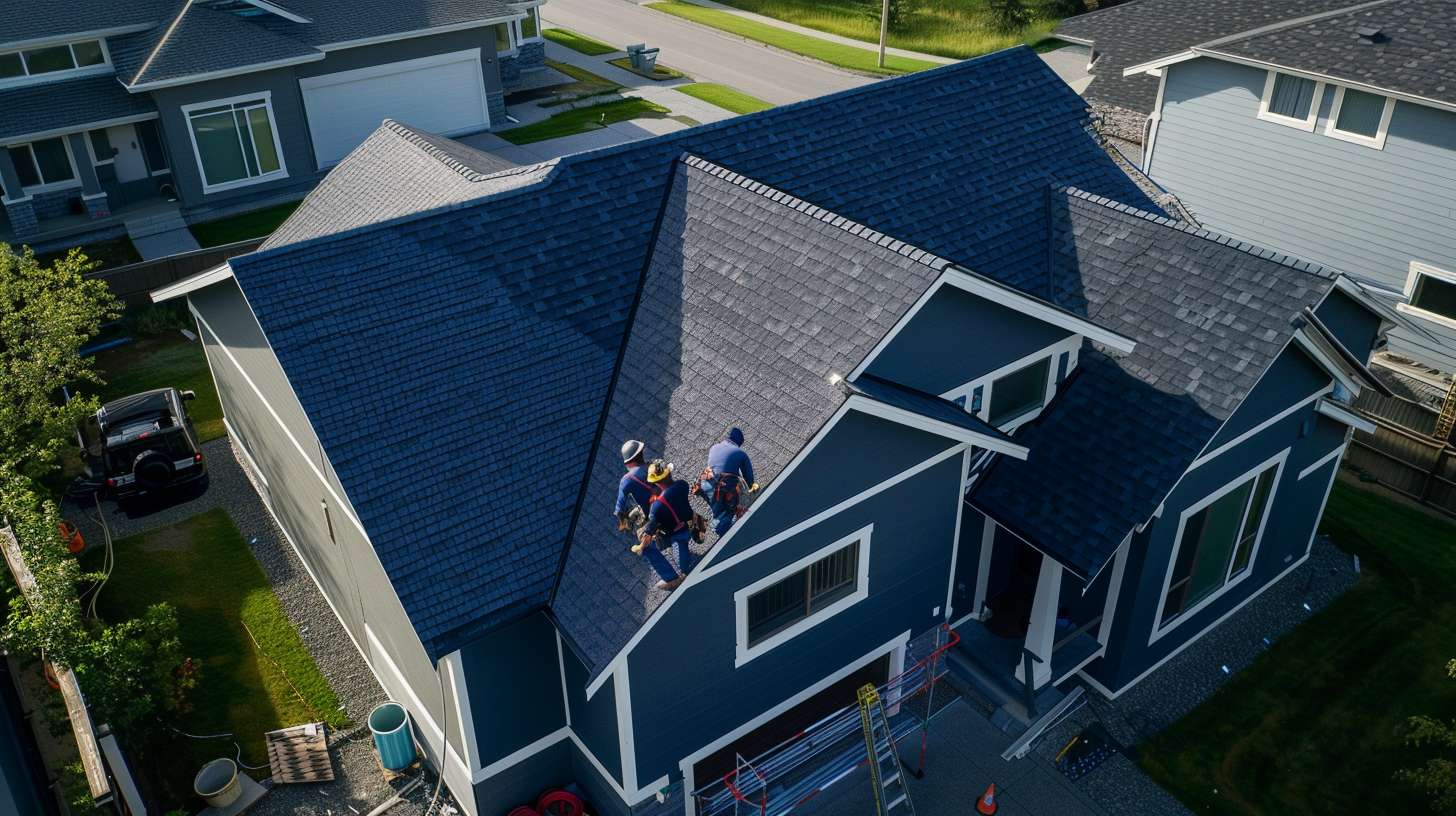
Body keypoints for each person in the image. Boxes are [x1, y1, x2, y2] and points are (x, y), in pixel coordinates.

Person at [637, 459, 700, 590]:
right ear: (669, 474)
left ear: (656, 482)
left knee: (646, 549)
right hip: (690, 524)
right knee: (683, 562)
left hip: (675, 535)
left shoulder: (656, 507)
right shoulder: (683, 485)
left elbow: (651, 526)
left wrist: (643, 539)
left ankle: (671, 579)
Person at [700, 426, 758, 536]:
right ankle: (727, 536)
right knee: (730, 508)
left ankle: (718, 527)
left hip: (705, 484)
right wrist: (752, 489)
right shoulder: (740, 453)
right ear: (739, 443)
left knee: (718, 511)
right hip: (722, 487)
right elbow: (748, 476)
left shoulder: (714, 447)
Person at [615, 439, 656, 532]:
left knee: (639, 531)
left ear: (627, 462)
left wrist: (623, 524)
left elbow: (619, 507)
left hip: (651, 513)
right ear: (641, 453)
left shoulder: (626, 480)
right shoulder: (653, 466)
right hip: (667, 502)